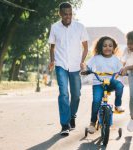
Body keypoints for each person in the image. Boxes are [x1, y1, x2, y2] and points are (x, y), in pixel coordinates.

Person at [48, 2, 89, 136]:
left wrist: (82, 61)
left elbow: (86, 47)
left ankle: (72, 116)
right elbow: (52, 46)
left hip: (76, 66)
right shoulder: (55, 27)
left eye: (70, 13)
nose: (68, 16)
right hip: (61, 65)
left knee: (76, 95)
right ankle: (65, 124)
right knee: (64, 93)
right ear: (60, 14)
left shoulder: (80, 27)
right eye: (65, 14)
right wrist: (52, 60)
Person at [83, 36, 125, 134]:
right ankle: (93, 123)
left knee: (120, 86)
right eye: (104, 46)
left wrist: (122, 72)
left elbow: (121, 69)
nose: (107, 48)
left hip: (110, 82)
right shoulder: (96, 58)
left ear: (114, 48)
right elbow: (87, 66)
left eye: (110, 46)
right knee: (97, 101)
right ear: (100, 47)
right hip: (98, 83)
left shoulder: (115, 59)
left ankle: (118, 105)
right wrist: (86, 70)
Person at [120, 31, 133, 132]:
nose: (130, 46)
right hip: (131, 74)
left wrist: (127, 67)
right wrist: (121, 68)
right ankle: (132, 119)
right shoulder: (126, 50)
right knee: (132, 96)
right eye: (129, 43)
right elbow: (123, 61)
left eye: (132, 43)